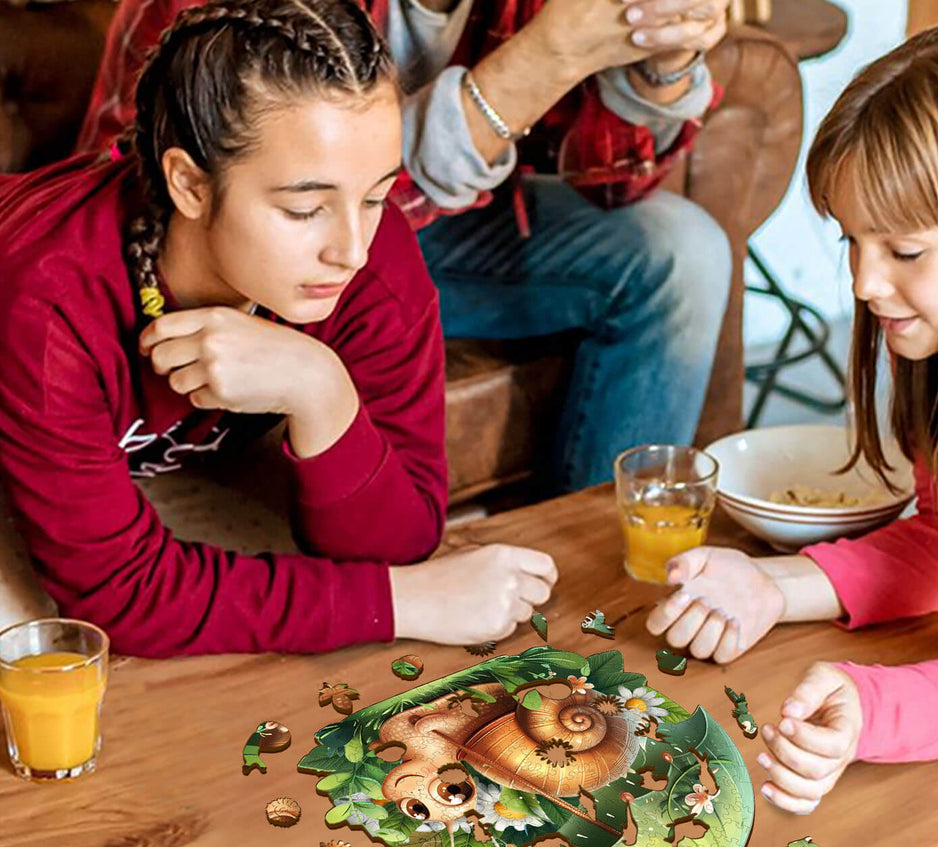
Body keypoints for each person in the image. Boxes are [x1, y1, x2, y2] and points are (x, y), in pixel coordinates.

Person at [0, 0, 556, 657]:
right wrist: (406, 601)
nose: (351, 248)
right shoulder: (49, 299)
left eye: (375, 196)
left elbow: (402, 538)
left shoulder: (371, 256)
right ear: (189, 184)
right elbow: (123, 598)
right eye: (305, 209)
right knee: (34, 650)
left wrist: (321, 390)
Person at [646, 18, 938, 813]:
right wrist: (772, 587)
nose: (862, 283)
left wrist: (869, 709)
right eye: (852, 240)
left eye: (904, 251)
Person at [77, 0, 734, 492]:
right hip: (230, 247)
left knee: (680, 251)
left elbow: (617, 187)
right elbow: (161, 205)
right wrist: (544, 59)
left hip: (431, 223)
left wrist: (660, 63)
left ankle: (602, 561)